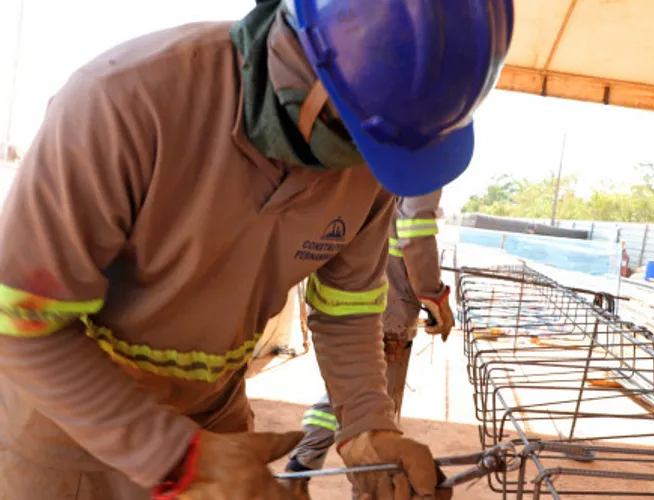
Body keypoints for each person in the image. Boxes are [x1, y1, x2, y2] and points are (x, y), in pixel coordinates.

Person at [0, 1, 514, 498]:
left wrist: (366, 426)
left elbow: (348, 310)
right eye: (356, 134)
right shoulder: (124, 103)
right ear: (304, 58)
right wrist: (176, 457)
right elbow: (20, 325)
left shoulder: (379, 158)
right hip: (70, 424)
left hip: (214, 411)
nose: (364, 167)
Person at [287, 190, 454, 480]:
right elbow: (415, 230)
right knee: (379, 409)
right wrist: (435, 296)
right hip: (390, 302)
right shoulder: (423, 162)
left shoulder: (374, 174)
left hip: (367, 293)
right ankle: (369, 482)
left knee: (356, 390)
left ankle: (307, 455)